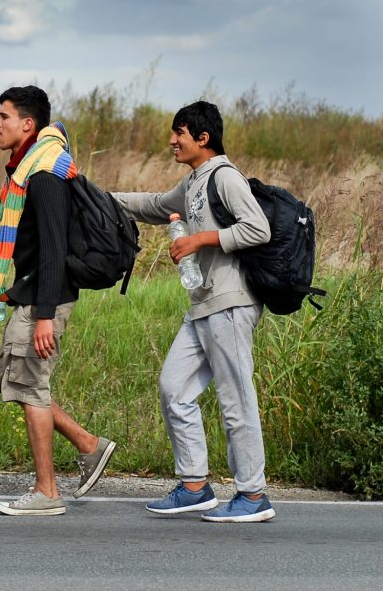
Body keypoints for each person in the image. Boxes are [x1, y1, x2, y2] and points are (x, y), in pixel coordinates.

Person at [112, 100, 275, 523]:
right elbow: (152, 205)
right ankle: (194, 486)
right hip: (203, 304)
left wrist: (198, 241)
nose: (172, 140)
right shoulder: (193, 182)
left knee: (235, 399)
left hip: (232, 304)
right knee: (174, 388)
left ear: (203, 138)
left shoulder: (225, 176)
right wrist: (96, 196)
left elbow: (258, 228)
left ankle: (253, 496)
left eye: (179, 133)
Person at [0, 85, 117, 516]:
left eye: (4, 116)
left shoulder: (45, 173)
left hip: (45, 299)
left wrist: (45, 317)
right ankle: (89, 445)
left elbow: (54, 250)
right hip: (34, 294)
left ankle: (47, 493)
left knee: (31, 387)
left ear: (27, 124)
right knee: (20, 384)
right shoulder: (29, 168)